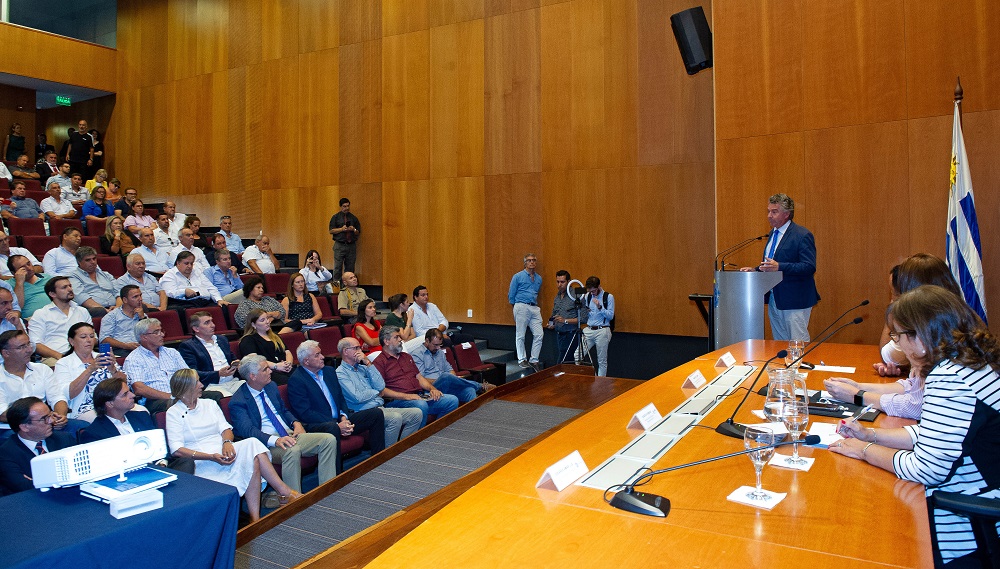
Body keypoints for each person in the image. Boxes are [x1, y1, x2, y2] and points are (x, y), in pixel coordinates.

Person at [829, 285, 1000, 565]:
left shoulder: (950, 378)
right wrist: (873, 434)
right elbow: (939, 431)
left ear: (919, 338)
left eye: (897, 336)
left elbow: (926, 469)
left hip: (969, 523)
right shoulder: (973, 362)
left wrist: (863, 450)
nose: (898, 346)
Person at [824, 253, 965, 420]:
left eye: (897, 296)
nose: (893, 302)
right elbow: (913, 387)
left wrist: (858, 395)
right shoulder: (947, 322)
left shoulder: (942, 342)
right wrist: (858, 386)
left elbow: (917, 405)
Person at [166, 369, 300, 522]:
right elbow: (177, 450)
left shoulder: (209, 404)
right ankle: (274, 503)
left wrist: (227, 442)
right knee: (253, 462)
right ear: (187, 387)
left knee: (252, 444)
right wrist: (211, 457)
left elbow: (226, 429)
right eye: (197, 382)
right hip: (201, 461)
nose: (202, 385)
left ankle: (266, 508)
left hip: (223, 451)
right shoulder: (173, 413)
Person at [229, 354, 339, 491]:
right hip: (267, 443)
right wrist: (275, 440)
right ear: (253, 376)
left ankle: (327, 489)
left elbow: (283, 410)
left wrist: (296, 423)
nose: (270, 371)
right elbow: (249, 431)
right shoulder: (238, 401)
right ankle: (293, 499)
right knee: (291, 451)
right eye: (265, 369)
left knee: (328, 439)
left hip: (289, 434)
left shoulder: (271, 386)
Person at [288, 340, 387, 472]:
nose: (323, 357)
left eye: (321, 353)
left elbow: (340, 398)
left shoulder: (329, 371)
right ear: (306, 361)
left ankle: (378, 461)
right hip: (318, 424)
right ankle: (337, 477)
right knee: (332, 428)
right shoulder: (297, 380)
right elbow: (305, 412)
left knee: (375, 414)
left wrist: (344, 418)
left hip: (339, 420)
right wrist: (336, 425)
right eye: (317, 355)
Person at [740, 193, 819, 341]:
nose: (769, 215)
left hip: (795, 299)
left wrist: (779, 266)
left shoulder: (802, 235)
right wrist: (755, 270)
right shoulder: (772, 234)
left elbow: (809, 267)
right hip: (774, 298)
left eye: (774, 211)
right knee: (780, 344)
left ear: (787, 214)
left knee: (797, 343)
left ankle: (800, 365)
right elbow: (773, 264)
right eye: (768, 211)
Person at [78, 377, 194, 474]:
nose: (132, 395)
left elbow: (161, 446)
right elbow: (105, 467)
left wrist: (161, 463)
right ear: (110, 403)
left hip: (157, 467)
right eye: (125, 394)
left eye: (130, 391)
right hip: (129, 475)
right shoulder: (94, 433)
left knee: (185, 462)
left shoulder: (141, 416)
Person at [335, 337, 422, 445]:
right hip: (364, 413)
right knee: (395, 418)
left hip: (380, 408)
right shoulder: (340, 373)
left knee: (416, 413)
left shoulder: (363, 368)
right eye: (356, 348)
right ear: (345, 351)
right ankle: (387, 455)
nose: (360, 351)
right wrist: (376, 392)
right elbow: (358, 397)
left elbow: (381, 385)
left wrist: (368, 363)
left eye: (360, 348)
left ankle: (402, 448)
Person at [372, 326, 459, 426]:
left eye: (399, 337)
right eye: (396, 337)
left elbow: (419, 378)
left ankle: (435, 431)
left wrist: (432, 389)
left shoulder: (406, 357)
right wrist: (407, 396)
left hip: (419, 395)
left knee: (451, 400)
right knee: (420, 404)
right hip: (398, 400)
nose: (400, 339)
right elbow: (381, 390)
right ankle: (419, 437)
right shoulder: (379, 363)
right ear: (386, 341)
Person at [0, 330, 80, 439]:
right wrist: (42, 419)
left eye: (28, 344)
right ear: (6, 353)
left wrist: (59, 416)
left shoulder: (42, 369)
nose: (29, 350)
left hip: (47, 421)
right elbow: (3, 414)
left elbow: (58, 398)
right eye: (21, 347)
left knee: (83, 427)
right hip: (14, 428)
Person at [0, 397, 77, 496]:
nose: (51, 421)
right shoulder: (6, 454)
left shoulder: (64, 439)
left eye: (51, 415)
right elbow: (24, 488)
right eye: (44, 419)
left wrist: (38, 480)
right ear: (24, 427)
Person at [54, 322, 127, 424]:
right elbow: (68, 394)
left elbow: (125, 383)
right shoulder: (63, 363)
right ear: (71, 341)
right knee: (105, 421)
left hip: (114, 403)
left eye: (92, 336)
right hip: (85, 408)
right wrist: (90, 369)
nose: (89, 340)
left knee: (141, 411)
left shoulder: (103, 356)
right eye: (83, 337)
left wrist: (112, 369)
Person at [123, 318, 190, 414]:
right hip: (154, 400)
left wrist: (188, 392)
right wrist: (171, 396)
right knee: (178, 404)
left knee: (214, 396)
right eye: (156, 332)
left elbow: (189, 375)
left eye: (161, 331)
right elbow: (139, 389)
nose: (162, 335)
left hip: (181, 395)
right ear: (144, 337)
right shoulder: (133, 359)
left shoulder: (172, 352)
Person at [411, 329, 494, 403]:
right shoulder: (417, 354)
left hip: (447, 384)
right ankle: (480, 386)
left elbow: (450, 370)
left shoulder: (439, 352)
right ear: (427, 341)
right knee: (446, 377)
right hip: (431, 388)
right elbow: (420, 379)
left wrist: (453, 379)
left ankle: (474, 417)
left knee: (470, 390)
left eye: (440, 345)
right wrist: (443, 380)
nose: (438, 348)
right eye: (435, 345)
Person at [27, 276, 93, 365]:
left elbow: (94, 337)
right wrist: (61, 356)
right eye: (64, 287)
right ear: (52, 294)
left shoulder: (82, 311)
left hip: (85, 355)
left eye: (70, 286)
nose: (70, 289)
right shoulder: (41, 314)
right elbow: (36, 345)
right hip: (54, 357)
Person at [178, 311, 241, 397]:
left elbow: (232, 358)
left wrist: (236, 363)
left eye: (212, 321)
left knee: (256, 388)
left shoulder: (222, 340)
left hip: (233, 381)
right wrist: (218, 374)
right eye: (207, 323)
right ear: (196, 329)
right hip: (212, 386)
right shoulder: (188, 346)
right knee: (227, 397)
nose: (213, 325)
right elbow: (192, 372)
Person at [239, 309, 294, 385]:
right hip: (268, 373)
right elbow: (254, 361)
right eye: (262, 320)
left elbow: (287, 352)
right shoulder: (248, 339)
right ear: (253, 325)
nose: (267, 321)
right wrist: (276, 366)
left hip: (284, 369)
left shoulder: (275, 336)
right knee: (291, 382)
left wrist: (288, 364)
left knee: (304, 377)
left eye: (267, 318)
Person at [160, 251, 229, 310]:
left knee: (223, 307)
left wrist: (218, 299)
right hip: (185, 304)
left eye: (191, 263)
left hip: (204, 302)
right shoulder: (169, 275)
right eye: (186, 263)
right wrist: (184, 291)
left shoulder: (196, 272)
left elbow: (210, 287)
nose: (190, 266)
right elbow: (169, 293)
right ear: (178, 263)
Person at [509, 253, 543, 370]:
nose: (532, 262)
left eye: (534, 260)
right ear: (525, 263)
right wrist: (517, 307)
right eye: (529, 260)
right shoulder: (517, 276)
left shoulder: (539, 278)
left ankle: (534, 359)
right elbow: (511, 295)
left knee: (539, 334)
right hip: (521, 305)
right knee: (520, 334)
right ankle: (522, 359)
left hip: (534, 307)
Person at [67, 246, 117, 317]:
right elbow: (81, 297)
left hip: (114, 308)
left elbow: (118, 291)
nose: (93, 262)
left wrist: (118, 307)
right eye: (88, 260)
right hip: (93, 310)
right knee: (100, 311)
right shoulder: (73, 276)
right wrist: (105, 310)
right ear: (79, 262)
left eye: (94, 259)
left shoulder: (106, 274)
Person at [549, 270, 584, 363]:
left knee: (562, 362)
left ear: (569, 282)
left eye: (562, 282)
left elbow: (584, 318)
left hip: (571, 334)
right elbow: (554, 313)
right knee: (567, 363)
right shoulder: (557, 296)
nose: (559, 285)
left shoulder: (577, 295)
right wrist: (551, 323)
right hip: (559, 335)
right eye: (558, 282)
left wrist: (565, 320)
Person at [99, 285, 145, 355]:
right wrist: (125, 346)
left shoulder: (142, 315)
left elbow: (151, 335)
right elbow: (104, 339)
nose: (140, 299)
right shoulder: (111, 316)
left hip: (141, 348)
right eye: (135, 297)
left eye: (140, 295)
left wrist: (142, 318)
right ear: (125, 300)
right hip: (121, 349)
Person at [582, 276, 614, 377]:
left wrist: (600, 307)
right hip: (589, 329)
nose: (593, 293)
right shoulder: (588, 296)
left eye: (594, 291)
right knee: (577, 355)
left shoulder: (608, 297)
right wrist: (586, 311)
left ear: (599, 286)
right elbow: (585, 313)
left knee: (602, 361)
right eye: (590, 291)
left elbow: (610, 316)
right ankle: (593, 378)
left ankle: (600, 385)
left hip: (602, 330)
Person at [329, 197, 360, 285]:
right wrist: (341, 229)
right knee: (338, 268)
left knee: (350, 268)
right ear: (340, 207)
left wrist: (353, 229)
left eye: (348, 206)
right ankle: (336, 289)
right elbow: (331, 231)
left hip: (351, 245)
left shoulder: (353, 218)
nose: (346, 208)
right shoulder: (335, 217)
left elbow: (358, 232)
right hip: (340, 245)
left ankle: (349, 288)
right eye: (344, 206)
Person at [9, 254, 50, 319]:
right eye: (23, 268)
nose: (29, 268)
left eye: (28, 263)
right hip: (30, 320)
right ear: (13, 273)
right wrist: (19, 282)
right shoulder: (8, 285)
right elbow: (16, 307)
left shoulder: (47, 277)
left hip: (55, 315)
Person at [0, 288, 26, 364]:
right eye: (4, 303)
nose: (10, 307)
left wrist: (18, 325)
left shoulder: (15, 320)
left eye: (10, 302)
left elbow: (30, 349)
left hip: (15, 366)